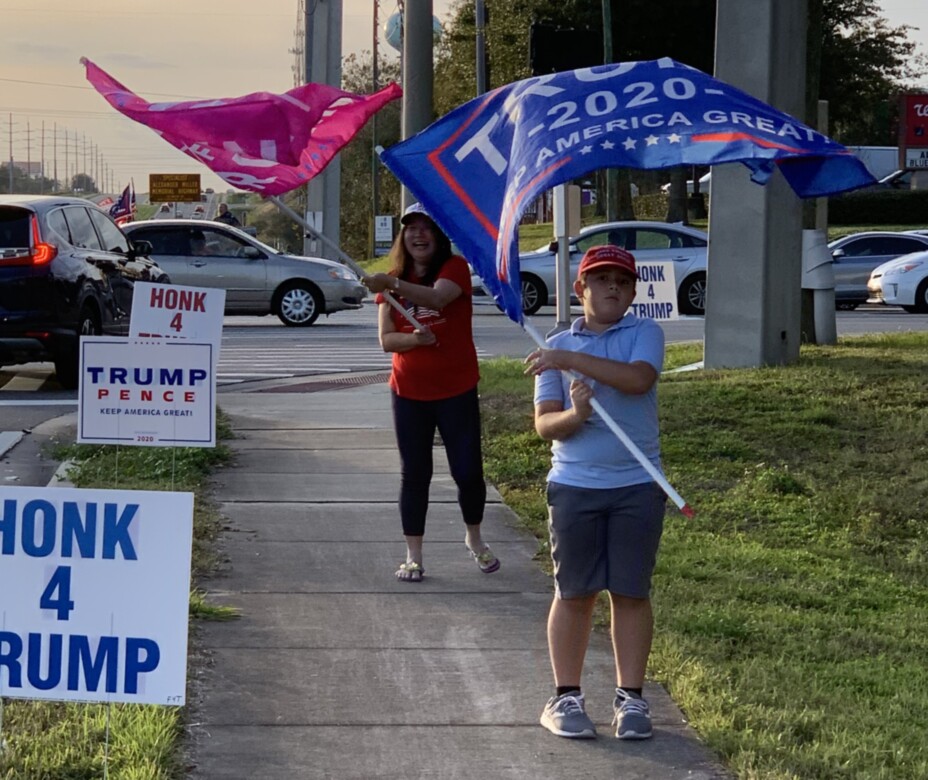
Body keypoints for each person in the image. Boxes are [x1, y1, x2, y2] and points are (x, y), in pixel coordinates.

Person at [524, 244, 667, 741]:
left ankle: (631, 701)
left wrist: (566, 357)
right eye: (600, 278)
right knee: (575, 593)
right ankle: (565, 697)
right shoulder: (554, 345)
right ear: (581, 288)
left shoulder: (643, 332)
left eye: (621, 281)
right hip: (575, 486)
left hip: (637, 485)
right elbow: (546, 426)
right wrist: (578, 414)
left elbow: (637, 379)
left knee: (630, 592)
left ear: (631, 293)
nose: (611, 287)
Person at [362, 203, 498, 583]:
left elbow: (438, 299)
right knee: (415, 474)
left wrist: (390, 286)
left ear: (439, 236)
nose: (418, 235)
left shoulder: (453, 269)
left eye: (427, 228)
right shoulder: (391, 279)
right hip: (409, 392)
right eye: (411, 228)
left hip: (456, 388)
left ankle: (473, 538)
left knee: (468, 472)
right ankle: (413, 556)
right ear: (402, 237)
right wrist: (415, 340)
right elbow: (387, 341)